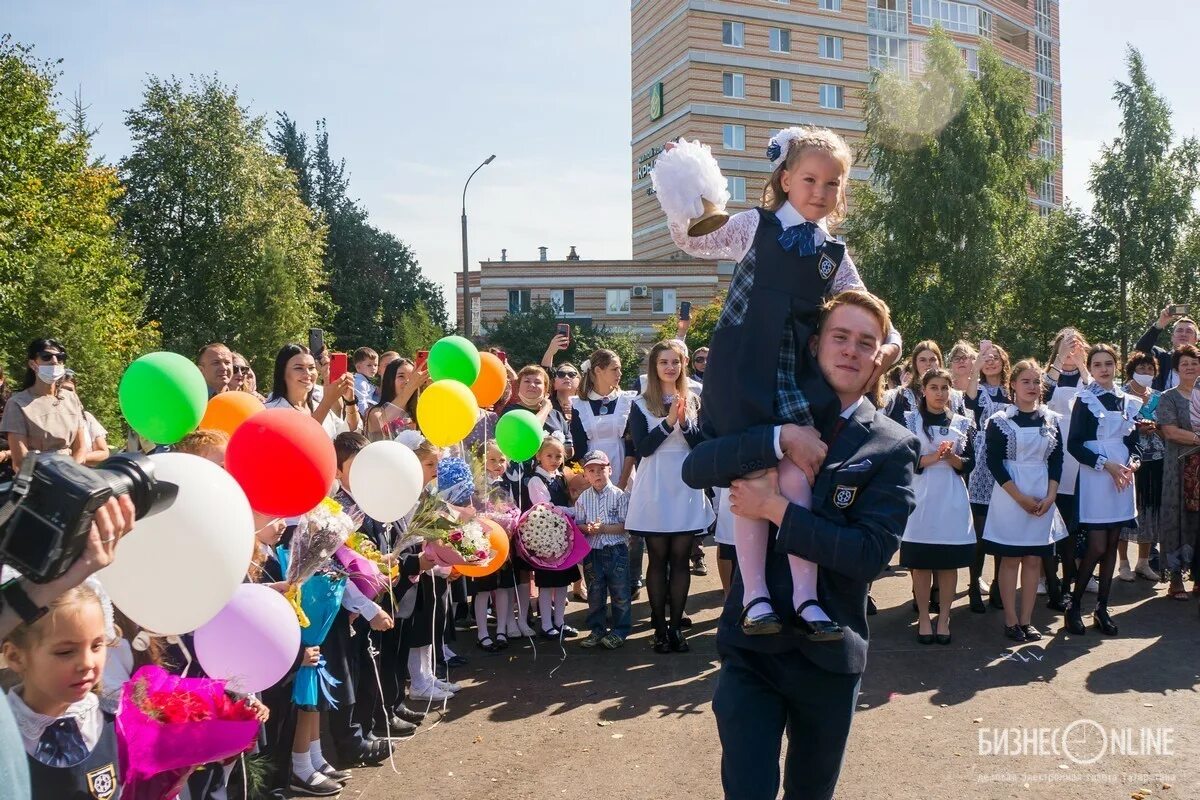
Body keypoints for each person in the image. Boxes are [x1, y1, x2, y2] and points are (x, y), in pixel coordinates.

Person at [682, 290, 918, 800]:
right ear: (814, 345)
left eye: (865, 342)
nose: (851, 350)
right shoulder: (767, 413)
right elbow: (695, 467)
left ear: (879, 358)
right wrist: (779, 438)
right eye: (840, 337)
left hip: (828, 657)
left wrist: (775, 509)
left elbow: (868, 555)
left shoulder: (892, 445)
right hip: (753, 652)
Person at [625, 340, 714, 653]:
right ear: (655, 366)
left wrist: (685, 421)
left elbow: (701, 443)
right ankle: (659, 629)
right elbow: (643, 449)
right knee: (658, 558)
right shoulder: (638, 403)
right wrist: (669, 422)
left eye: (675, 362)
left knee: (680, 560)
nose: (670, 367)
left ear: (682, 365)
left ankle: (676, 627)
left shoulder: (695, 398)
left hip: (685, 483)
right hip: (654, 486)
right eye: (664, 362)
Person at [1, 583, 120, 798]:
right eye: (65, 652)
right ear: (16, 657)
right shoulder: (6, 736)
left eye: (96, 646)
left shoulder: (118, 725)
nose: (87, 663)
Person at [982, 360, 1067, 642]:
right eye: (1026, 381)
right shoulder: (999, 421)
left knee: (1033, 560)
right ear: (1013, 386)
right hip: (1010, 496)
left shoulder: (1052, 419)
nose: (1032, 387)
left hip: (1043, 495)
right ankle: (1010, 620)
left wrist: (1051, 495)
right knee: (1010, 559)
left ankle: (1027, 621)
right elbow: (993, 462)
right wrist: (1019, 498)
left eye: (1036, 382)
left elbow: (1057, 460)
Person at [1065, 344, 1142, 637]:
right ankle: (1073, 605)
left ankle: (1102, 607)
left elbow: (1133, 444)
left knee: (1112, 544)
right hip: (1097, 478)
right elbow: (1074, 445)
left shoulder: (1127, 401)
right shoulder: (1084, 400)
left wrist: (1133, 464)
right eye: (1097, 364)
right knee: (1097, 545)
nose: (1104, 369)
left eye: (1108, 363)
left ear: (1116, 365)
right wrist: (1105, 464)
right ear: (1091, 368)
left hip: (1122, 478)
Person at [899, 368, 976, 645]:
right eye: (934, 387)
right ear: (924, 390)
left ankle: (944, 617)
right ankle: (922, 617)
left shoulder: (962, 422)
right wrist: (932, 458)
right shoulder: (909, 420)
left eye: (945, 388)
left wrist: (952, 457)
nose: (940, 393)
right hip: (920, 496)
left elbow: (970, 463)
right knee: (920, 565)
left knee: (946, 564)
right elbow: (903, 460)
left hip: (951, 496)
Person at [1041, 327, 1092, 608]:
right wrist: (1059, 361)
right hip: (1052, 452)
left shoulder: (1088, 375)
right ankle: (1048, 579)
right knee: (1050, 517)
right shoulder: (1049, 375)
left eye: (1076, 344)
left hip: (1079, 456)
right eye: (1065, 344)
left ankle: (1070, 578)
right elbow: (1042, 396)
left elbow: (1096, 394)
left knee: (1074, 521)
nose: (1071, 349)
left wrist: (1083, 364)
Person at [963, 341, 1012, 612]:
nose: (991, 361)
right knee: (980, 531)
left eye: (995, 357)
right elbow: (968, 398)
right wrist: (977, 363)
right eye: (986, 358)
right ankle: (973, 586)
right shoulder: (978, 389)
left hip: (1008, 460)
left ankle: (998, 586)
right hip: (982, 462)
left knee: (1004, 527)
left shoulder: (1011, 391)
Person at [521, 435, 580, 638]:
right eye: (549, 455)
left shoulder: (560, 477)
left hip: (562, 537)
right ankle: (546, 623)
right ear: (539, 456)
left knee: (563, 582)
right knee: (546, 584)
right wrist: (572, 511)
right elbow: (545, 507)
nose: (554, 460)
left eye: (558, 456)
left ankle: (560, 621)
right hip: (544, 538)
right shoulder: (536, 480)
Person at [574, 450, 632, 650]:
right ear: (585, 475)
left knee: (620, 593)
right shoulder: (583, 498)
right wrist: (586, 529)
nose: (597, 474)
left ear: (610, 470)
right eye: (592, 470)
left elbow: (626, 525)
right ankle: (597, 629)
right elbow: (578, 524)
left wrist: (604, 528)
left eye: (601, 469)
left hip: (616, 551)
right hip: (593, 553)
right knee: (595, 592)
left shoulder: (620, 495)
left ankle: (620, 630)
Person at [1, 338, 86, 472]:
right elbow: (20, 462)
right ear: (32, 364)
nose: (54, 361)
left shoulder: (71, 398)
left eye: (60, 357)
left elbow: (81, 448)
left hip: (73, 475)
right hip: (38, 480)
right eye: (46, 357)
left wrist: (72, 475)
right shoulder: (17, 404)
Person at [1158, 345, 1200, 599]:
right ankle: (1176, 580)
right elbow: (1170, 431)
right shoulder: (1168, 397)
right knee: (1177, 519)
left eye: (1194, 362)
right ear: (1176, 369)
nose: (1190, 367)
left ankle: (1198, 577)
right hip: (1179, 468)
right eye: (1185, 363)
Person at [1119, 351, 1164, 582]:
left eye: (1150, 369)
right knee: (1126, 510)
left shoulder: (1159, 396)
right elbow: (1117, 425)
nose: (1146, 373)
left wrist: (1157, 426)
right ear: (1131, 371)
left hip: (1156, 458)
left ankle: (1143, 562)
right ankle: (1123, 563)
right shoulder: (1121, 395)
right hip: (1127, 459)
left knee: (1149, 509)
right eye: (1141, 368)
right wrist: (1137, 428)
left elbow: (1167, 424)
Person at [264, 343, 359, 439]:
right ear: (282, 373)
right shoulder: (271, 411)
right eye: (299, 368)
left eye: (311, 368)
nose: (308, 373)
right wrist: (327, 401)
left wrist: (350, 401)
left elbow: (350, 433)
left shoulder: (318, 406)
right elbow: (303, 440)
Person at [1134, 303, 1199, 390]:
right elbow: (1141, 348)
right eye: (1179, 330)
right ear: (1172, 337)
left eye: (1189, 331)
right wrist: (1160, 323)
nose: (1183, 334)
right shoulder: (1161, 357)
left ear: (1196, 339)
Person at [364, 357, 424, 441]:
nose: (408, 381)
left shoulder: (420, 413)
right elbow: (381, 421)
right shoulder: (375, 412)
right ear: (390, 381)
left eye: (412, 377)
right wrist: (411, 386)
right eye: (401, 376)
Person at [58, 371, 109, 467]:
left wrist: (78, 458)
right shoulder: (47, 419)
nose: (66, 394)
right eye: (62, 389)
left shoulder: (86, 417)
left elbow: (103, 452)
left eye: (70, 390)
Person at [352, 347, 380, 416]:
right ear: (358, 367)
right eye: (369, 365)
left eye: (375, 365)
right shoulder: (360, 383)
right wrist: (367, 418)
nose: (373, 368)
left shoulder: (365, 381)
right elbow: (361, 403)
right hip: (365, 417)